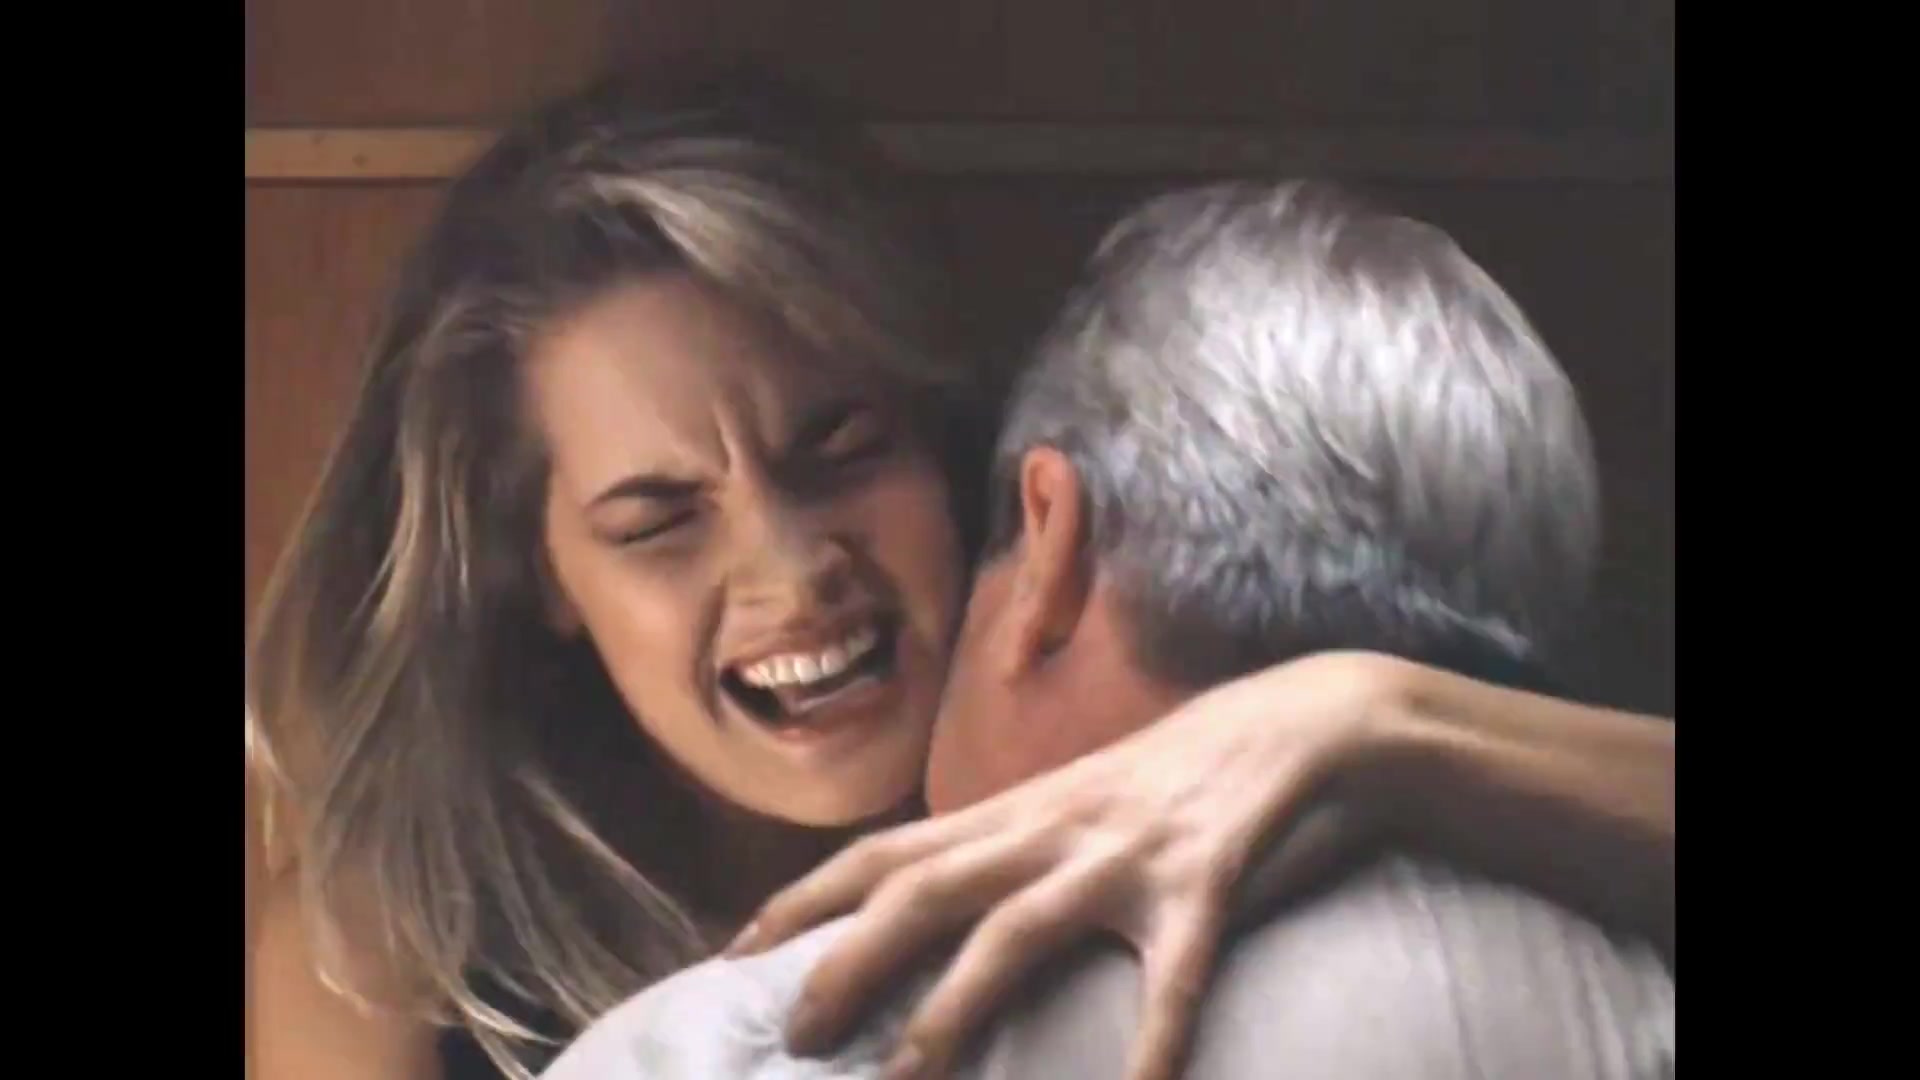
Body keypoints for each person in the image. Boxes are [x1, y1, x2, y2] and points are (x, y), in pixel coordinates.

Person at [246, 70, 1674, 1080]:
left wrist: (1364, 717)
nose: (790, 570)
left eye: (839, 449)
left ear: (951, 441)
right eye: (658, 520)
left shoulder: (1164, 760)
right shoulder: (384, 946)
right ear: (539, 578)